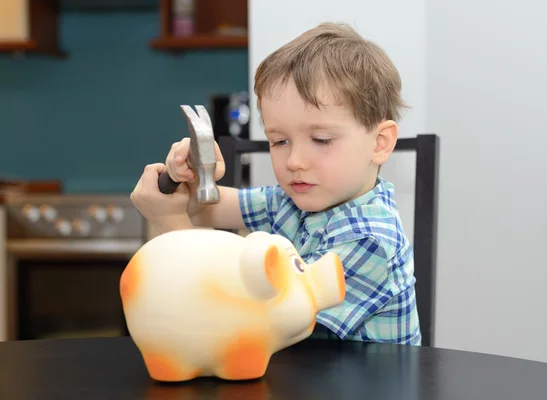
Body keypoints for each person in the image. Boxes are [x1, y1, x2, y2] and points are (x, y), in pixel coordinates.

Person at [130, 22, 421, 345]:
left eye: (321, 140)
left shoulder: (369, 239)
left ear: (379, 143)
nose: (294, 161)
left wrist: (169, 224)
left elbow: (253, 325)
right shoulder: (296, 199)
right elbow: (204, 211)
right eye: (279, 141)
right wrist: (196, 182)